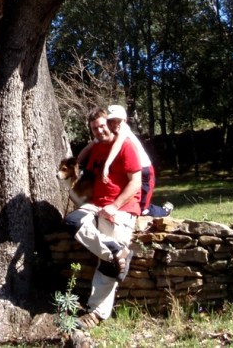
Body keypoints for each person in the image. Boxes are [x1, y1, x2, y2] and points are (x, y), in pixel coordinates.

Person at [63, 107, 142, 330]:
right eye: (94, 128)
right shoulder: (97, 148)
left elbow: (135, 183)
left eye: (102, 125)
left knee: (107, 264)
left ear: (112, 123)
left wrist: (115, 206)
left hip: (121, 208)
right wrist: (93, 143)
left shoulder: (127, 146)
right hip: (96, 205)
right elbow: (79, 159)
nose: (99, 130)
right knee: (71, 222)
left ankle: (96, 313)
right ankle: (117, 250)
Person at [104, 105, 173, 218]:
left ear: (124, 120)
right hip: (131, 171)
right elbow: (93, 144)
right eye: (111, 121)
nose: (115, 124)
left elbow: (117, 145)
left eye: (118, 121)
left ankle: (165, 212)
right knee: (132, 203)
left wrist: (107, 164)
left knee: (142, 208)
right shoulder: (111, 133)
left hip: (144, 171)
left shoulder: (124, 129)